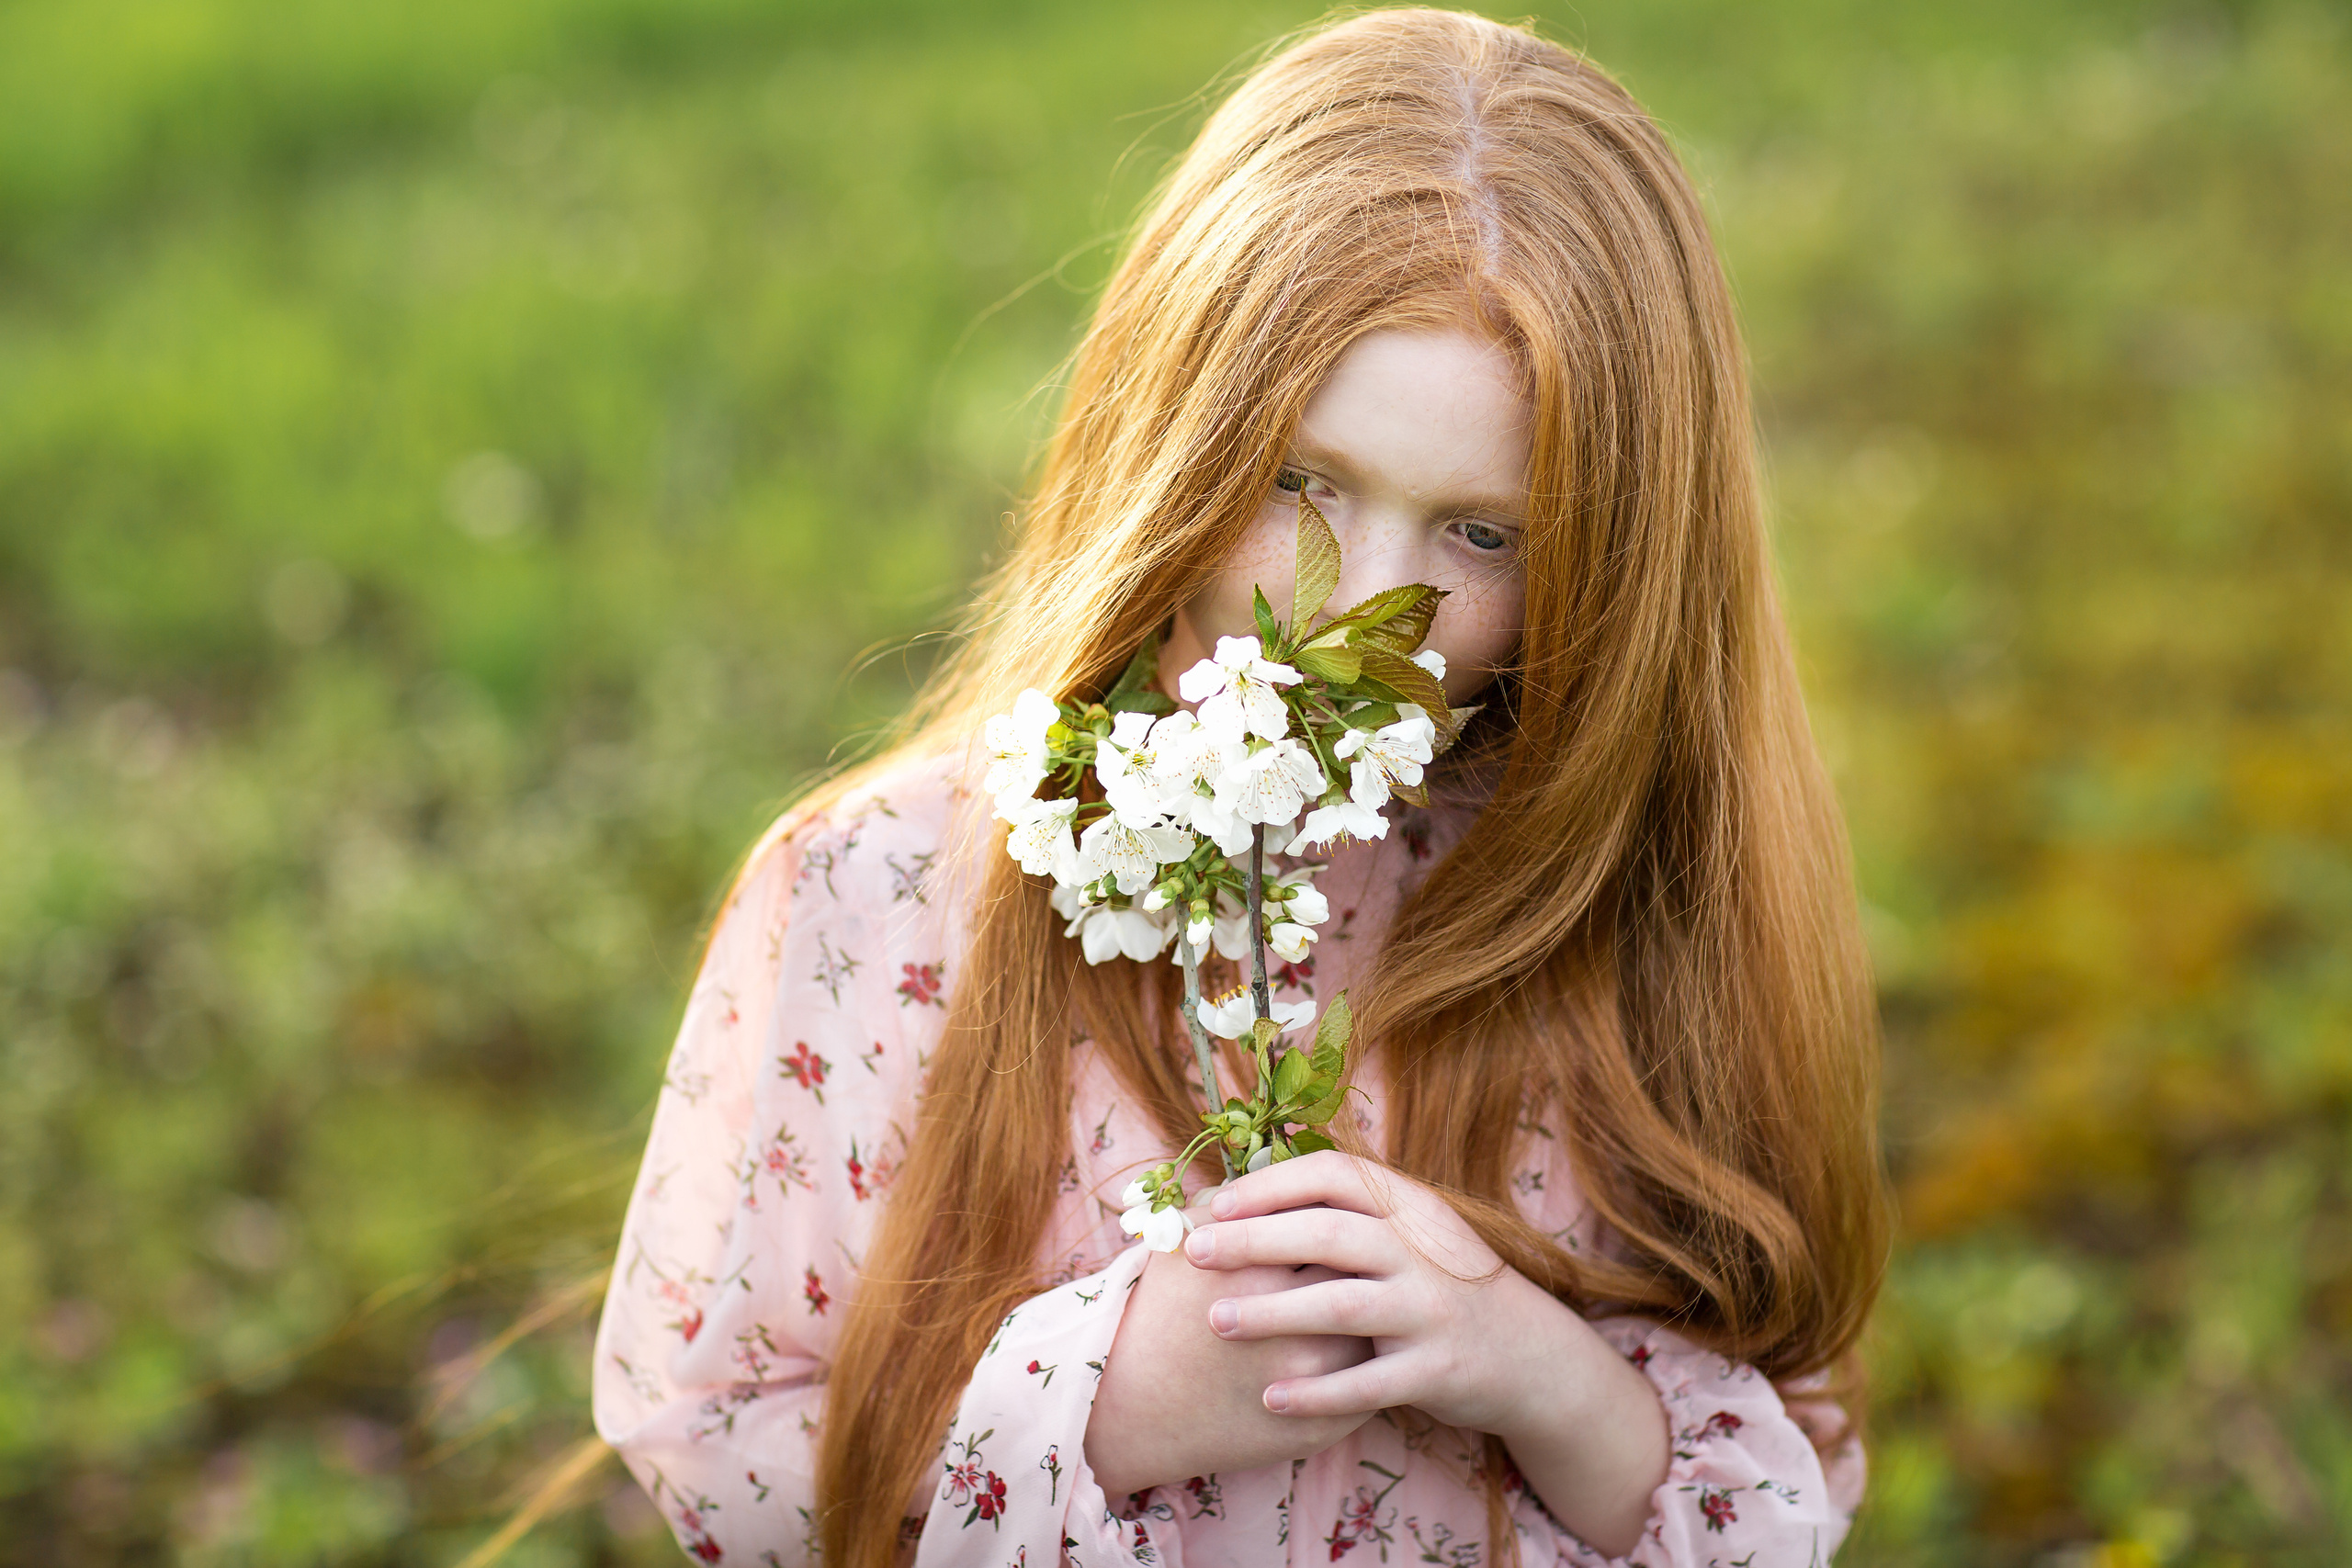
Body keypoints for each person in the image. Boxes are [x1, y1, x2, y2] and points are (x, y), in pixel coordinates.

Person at [591, 9, 1891, 1565]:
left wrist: (1551, 1382)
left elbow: (1795, 1470)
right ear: (1176, 430)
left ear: (1608, 568)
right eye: (1300, 484)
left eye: (1483, 536)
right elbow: (713, 1448)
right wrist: (1105, 1402)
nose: (1354, 617)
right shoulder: (879, 896)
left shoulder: (1634, 916)